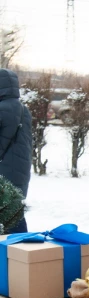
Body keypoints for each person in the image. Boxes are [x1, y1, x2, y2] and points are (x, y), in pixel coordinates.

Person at [0, 68, 32, 233]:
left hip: (3, 176)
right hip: (18, 175)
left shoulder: (2, 109)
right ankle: (23, 255)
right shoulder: (22, 109)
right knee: (13, 217)